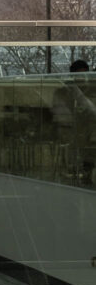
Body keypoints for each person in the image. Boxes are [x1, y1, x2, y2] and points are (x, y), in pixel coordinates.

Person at [52, 59, 96, 188]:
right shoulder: (64, 91)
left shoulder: (91, 90)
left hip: (88, 130)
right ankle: (76, 172)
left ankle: (86, 172)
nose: (82, 78)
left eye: (84, 74)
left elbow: (91, 111)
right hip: (70, 130)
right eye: (79, 75)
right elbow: (60, 113)